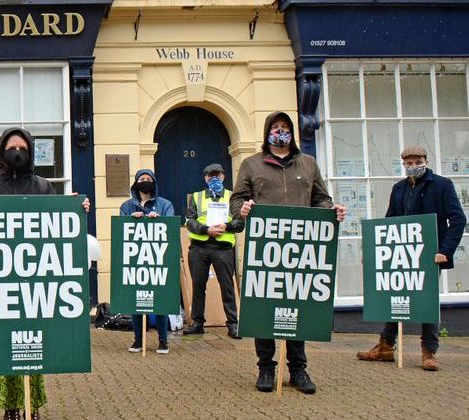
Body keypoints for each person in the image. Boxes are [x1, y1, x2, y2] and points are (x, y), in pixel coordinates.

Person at [0, 127, 89, 420]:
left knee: (34, 351)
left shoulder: (44, 186)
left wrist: (77, 207)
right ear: (2, 152)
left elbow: (58, 225)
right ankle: (10, 410)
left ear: (30, 152)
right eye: (11, 147)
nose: (16, 152)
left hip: (35, 285)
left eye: (22, 147)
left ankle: (32, 409)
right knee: (2, 352)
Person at [230, 111, 346, 394]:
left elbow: (321, 198)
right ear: (268, 133)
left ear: (292, 132)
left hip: (300, 249)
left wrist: (331, 211)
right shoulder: (251, 165)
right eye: (275, 128)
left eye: (285, 128)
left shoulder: (307, 164)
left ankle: (298, 369)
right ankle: (266, 368)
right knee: (264, 308)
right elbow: (237, 200)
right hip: (265, 250)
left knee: (299, 308)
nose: (280, 132)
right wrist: (242, 210)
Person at [357, 145, 466, 371]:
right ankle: (386, 346)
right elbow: (389, 222)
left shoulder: (442, 186)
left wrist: (445, 251)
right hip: (401, 253)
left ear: (426, 161)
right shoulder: (398, 189)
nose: (413, 166)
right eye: (409, 163)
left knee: (427, 300)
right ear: (403, 164)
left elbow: (457, 220)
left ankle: (429, 352)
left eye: (418, 161)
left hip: (430, 255)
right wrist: (379, 250)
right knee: (394, 295)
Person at [183, 163, 244, 339]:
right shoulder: (196, 197)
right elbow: (189, 221)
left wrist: (226, 226)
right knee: (198, 286)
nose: (214, 178)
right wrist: (206, 230)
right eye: (210, 175)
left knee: (227, 287)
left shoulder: (233, 197)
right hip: (199, 247)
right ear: (205, 178)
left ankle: (233, 324)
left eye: (217, 175)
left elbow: (240, 224)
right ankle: (198, 323)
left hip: (223, 248)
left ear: (224, 176)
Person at [120, 169, 174, 355]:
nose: (145, 182)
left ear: (154, 182)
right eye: (141, 179)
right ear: (136, 183)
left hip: (158, 259)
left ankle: (163, 341)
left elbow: (171, 227)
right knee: (137, 302)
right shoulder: (127, 206)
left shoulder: (165, 204)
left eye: (148, 179)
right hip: (136, 261)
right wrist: (130, 220)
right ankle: (138, 340)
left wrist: (160, 221)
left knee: (161, 301)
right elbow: (121, 228)